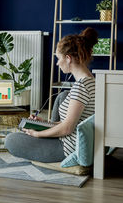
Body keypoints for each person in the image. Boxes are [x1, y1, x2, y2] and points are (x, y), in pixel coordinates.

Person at [5, 27, 98, 162]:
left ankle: (42, 136)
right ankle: (44, 131)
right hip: (68, 140)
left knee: (10, 140)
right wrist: (46, 124)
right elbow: (69, 123)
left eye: (58, 58)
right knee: (63, 95)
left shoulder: (81, 87)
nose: (57, 63)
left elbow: (67, 128)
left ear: (68, 58)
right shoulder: (90, 81)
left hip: (65, 147)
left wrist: (38, 134)